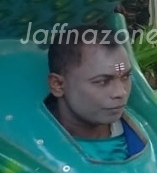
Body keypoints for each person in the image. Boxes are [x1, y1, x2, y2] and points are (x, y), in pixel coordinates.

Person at [45, 26, 146, 162]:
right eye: (102, 81)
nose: (121, 92)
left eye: (125, 77)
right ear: (58, 85)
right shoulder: (37, 153)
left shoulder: (148, 135)